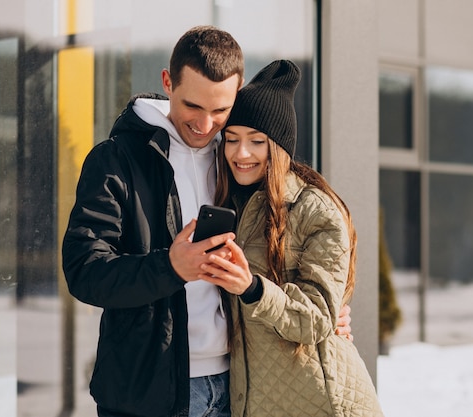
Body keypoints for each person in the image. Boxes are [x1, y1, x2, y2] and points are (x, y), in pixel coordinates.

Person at [62, 26, 352, 417]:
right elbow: (85, 271)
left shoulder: (237, 157)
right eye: (193, 107)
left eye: (220, 111)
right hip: (149, 393)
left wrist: (328, 312)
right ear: (168, 82)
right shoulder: (116, 160)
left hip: (240, 387)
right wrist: (170, 267)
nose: (205, 124)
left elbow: (286, 245)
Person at [199, 60, 385, 416]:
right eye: (232, 139)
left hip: (322, 402)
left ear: (279, 146)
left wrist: (252, 288)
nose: (241, 153)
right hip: (257, 402)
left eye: (257, 141)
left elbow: (316, 318)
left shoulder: (315, 211)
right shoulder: (226, 202)